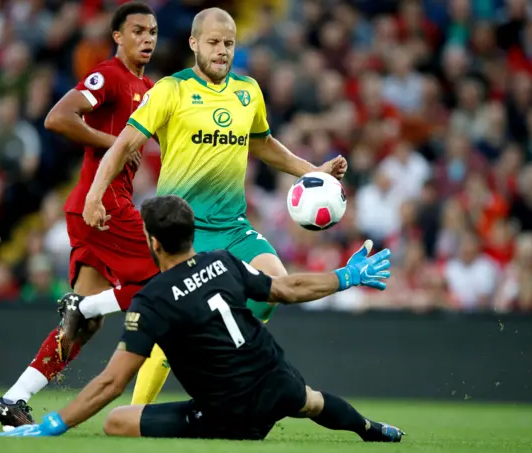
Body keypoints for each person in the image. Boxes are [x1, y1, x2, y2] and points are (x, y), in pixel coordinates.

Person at [67, 6, 348, 409]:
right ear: (194, 43)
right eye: (214, 42)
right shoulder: (170, 90)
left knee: (273, 288)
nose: (222, 51)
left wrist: (311, 172)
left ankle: (233, 369)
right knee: (177, 321)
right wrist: (94, 195)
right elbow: (124, 144)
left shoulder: (248, 91)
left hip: (233, 225)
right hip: (186, 232)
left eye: (229, 43)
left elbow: (263, 143)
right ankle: (136, 412)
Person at [0, 195, 403, 442]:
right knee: (313, 402)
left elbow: (111, 382)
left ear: (153, 242)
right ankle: (370, 429)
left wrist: (54, 423)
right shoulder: (225, 261)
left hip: (227, 413)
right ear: (193, 234)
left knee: (116, 422)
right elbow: (289, 289)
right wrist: (347, 277)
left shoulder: (152, 299)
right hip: (279, 384)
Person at [0, 2, 160, 427]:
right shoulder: (109, 76)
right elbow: (58, 117)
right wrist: (113, 143)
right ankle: (81, 307)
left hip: (95, 208)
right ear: (117, 36)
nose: (147, 39)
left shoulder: (150, 88)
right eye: (137, 31)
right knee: (163, 280)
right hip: (103, 204)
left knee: (86, 324)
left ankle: (14, 398)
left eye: (153, 32)